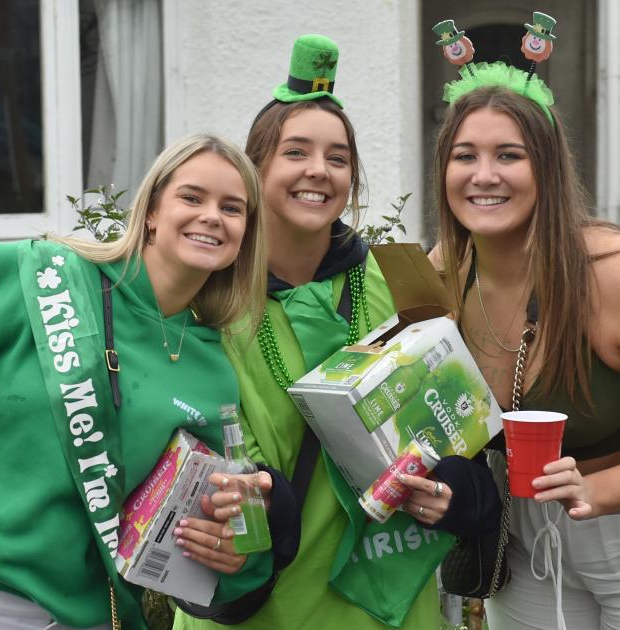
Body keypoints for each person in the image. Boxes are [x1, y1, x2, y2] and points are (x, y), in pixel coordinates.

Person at [174, 34, 500, 630]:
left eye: (339, 157)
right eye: (296, 152)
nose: (318, 172)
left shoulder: (401, 278)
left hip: (387, 603)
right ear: (256, 167)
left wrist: (452, 489)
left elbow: (460, 425)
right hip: (260, 597)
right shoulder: (207, 297)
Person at [0, 134, 299, 629]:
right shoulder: (43, 276)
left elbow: (209, 540)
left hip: (89, 616)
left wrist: (236, 550)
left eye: (232, 208)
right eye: (192, 197)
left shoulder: (212, 369)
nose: (212, 217)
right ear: (152, 210)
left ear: (246, 233)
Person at [429, 61, 620, 629]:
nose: (484, 175)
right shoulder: (446, 273)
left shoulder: (604, 275)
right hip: (521, 538)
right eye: (465, 156)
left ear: (547, 169)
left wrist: (599, 487)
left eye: (508, 155)